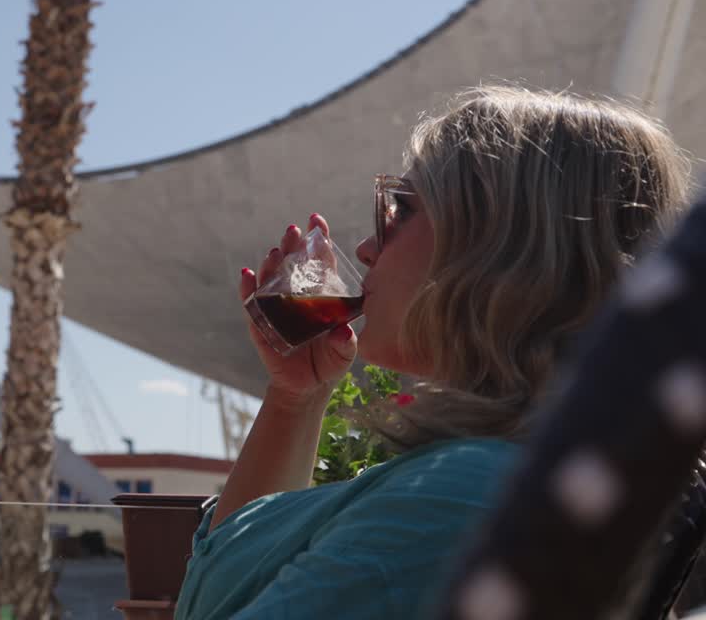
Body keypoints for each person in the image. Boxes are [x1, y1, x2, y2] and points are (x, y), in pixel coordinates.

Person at [174, 86, 694, 619]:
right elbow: (227, 589)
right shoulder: (507, 474)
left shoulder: (458, 494)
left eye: (400, 207)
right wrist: (295, 400)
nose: (365, 248)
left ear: (499, 240)